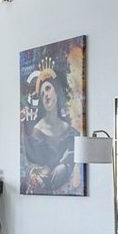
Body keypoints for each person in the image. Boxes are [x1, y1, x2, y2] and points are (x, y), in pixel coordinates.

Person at [23, 64, 79, 193]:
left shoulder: (71, 131)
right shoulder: (36, 133)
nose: (45, 95)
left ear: (57, 92)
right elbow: (32, 164)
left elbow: (74, 155)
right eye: (42, 94)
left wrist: (65, 166)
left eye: (48, 89)